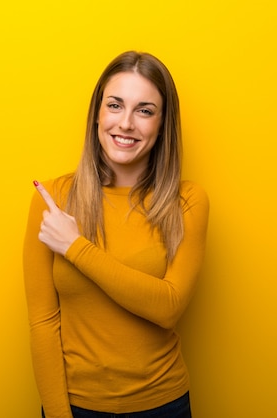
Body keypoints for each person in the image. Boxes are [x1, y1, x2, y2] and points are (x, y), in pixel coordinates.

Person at [23, 51, 209, 418]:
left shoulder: (187, 201)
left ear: (162, 124)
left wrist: (76, 247)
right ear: (97, 113)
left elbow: (168, 307)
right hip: (76, 407)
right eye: (115, 105)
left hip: (163, 406)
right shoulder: (54, 199)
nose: (126, 123)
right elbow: (43, 322)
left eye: (144, 110)